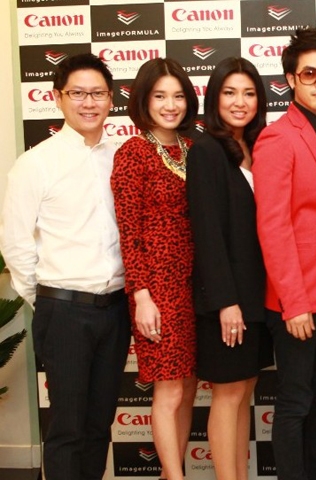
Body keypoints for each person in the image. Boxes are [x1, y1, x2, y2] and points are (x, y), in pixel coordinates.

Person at [0, 53, 129, 480]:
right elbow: (16, 244)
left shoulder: (122, 158)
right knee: (67, 428)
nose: (88, 103)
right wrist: (49, 301)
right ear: (58, 98)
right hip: (64, 311)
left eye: (98, 93)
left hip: (116, 308)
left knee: (98, 425)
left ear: (111, 99)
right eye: (78, 93)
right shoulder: (35, 163)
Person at [251, 28, 316, 480]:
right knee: (295, 402)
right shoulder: (276, 138)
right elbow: (272, 227)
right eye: (310, 73)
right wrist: (293, 303)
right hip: (296, 297)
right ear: (291, 79)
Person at [110, 57, 199, 480]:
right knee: (170, 388)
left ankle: (171, 473)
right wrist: (142, 296)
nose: (170, 105)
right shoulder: (133, 153)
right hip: (158, 288)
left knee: (189, 386)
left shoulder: (194, 149)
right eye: (160, 96)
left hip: (195, 283)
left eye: (178, 96)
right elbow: (128, 231)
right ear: (144, 100)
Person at [185, 57, 271, 480]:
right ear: (214, 99)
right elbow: (207, 233)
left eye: (249, 93)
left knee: (244, 390)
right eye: (230, 93)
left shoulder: (257, 148)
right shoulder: (205, 150)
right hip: (227, 300)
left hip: (258, 295)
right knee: (228, 393)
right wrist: (226, 303)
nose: (240, 102)